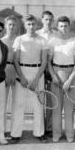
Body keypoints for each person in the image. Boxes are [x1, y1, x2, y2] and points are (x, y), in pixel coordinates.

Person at [10, 14, 48, 143]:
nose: (31, 27)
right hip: (22, 72)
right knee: (19, 104)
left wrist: (37, 79)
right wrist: (22, 77)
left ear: (36, 25)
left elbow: (44, 62)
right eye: (29, 24)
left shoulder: (42, 40)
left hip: (38, 72)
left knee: (38, 105)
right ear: (25, 26)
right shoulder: (19, 40)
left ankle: (39, 133)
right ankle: (15, 134)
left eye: (33, 24)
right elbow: (15, 60)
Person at [47, 16, 75, 143]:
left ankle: (70, 135)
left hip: (71, 75)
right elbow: (48, 61)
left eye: (66, 26)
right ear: (57, 26)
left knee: (69, 109)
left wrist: (70, 80)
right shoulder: (52, 41)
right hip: (56, 74)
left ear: (69, 26)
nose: (63, 28)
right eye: (61, 26)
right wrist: (53, 76)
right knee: (56, 108)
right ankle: (56, 134)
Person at [36, 10, 55, 137]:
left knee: (51, 100)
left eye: (50, 19)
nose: (48, 22)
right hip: (39, 70)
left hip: (52, 69)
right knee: (39, 101)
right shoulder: (36, 34)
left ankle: (48, 128)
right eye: (46, 19)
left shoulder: (57, 34)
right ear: (42, 20)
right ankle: (40, 129)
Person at [1, 15, 18, 137]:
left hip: (17, 72)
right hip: (4, 72)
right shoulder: (1, 40)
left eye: (13, 24)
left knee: (16, 105)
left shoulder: (19, 40)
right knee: (2, 104)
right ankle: (0, 131)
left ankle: (14, 132)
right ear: (6, 26)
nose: (11, 26)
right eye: (9, 24)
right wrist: (4, 73)